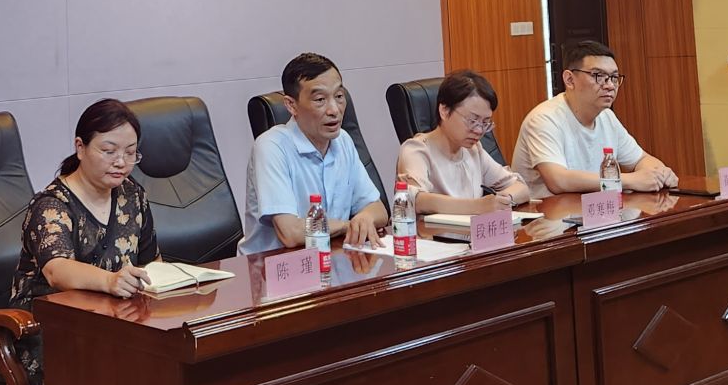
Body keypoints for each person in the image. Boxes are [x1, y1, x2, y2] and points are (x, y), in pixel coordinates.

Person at [8, 98, 159, 385]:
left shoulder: (133, 196)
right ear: (81, 147)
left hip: (114, 320)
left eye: (131, 153)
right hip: (50, 329)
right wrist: (111, 281)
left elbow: (152, 261)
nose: (121, 162)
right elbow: (57, 270)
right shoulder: (51, 205)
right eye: (109, 151)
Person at [240, 52, 388, 255]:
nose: (334, 110)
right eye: (320, 99)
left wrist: (365, 218)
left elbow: (379, 210)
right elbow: (290, 233)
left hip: (331, 258)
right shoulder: (271, 147)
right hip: (272, 266)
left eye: (339, 96)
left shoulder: (343, 140)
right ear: (291, 105)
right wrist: (347, 226)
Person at [512, 39, 679, 197]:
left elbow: (641, 159)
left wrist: (661, 173)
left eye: (614, 77)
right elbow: (558, 180)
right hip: (551, 215)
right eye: (598, 75)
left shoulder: (607, 117)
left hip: (592, 211)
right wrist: (629, 180)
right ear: (569, 80)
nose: (610, 85)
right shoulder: (544, 119)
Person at [395, 68, 530, 215]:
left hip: (473, 229)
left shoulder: (473, 150)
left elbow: (520, 187)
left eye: (485, 123)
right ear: (444, 110)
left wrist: (503, 200)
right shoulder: (416, 150)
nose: (479, 130)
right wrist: (478, 206)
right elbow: (417, 200)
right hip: (433, 230)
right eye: (472, 120)